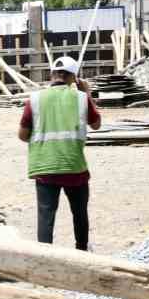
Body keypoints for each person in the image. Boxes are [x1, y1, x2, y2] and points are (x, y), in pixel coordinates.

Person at [19, 55, 100, 250]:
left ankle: (44, 255)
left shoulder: (35, 99)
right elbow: (96, 124)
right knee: (79, 213)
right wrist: (87, 93)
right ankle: (81, 251)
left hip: (44, 167)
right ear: (74, 77)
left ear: (52, 74)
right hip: (74, 167)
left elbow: (22, 135)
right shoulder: (81, 99)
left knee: (46, 215)